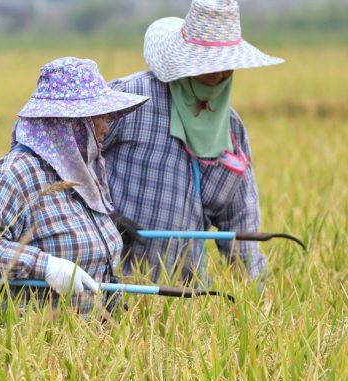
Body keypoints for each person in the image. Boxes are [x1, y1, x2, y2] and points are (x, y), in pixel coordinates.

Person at [102, 0, 283, 282]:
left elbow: (240, 220)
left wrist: (257, 296)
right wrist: (102, 216)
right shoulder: (130, 100)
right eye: (211, 63)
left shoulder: (232, 129)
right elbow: (69, 159)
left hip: (186, 293)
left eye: (228, 65)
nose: (220, 73)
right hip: (112, 282)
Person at [0, 57, 148, 314]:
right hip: (32, 339)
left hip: (92, 336)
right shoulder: (15, 173)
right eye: (98, 116)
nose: (106, 126)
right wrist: (46, 266)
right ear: (68, 123)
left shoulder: (86, 171)